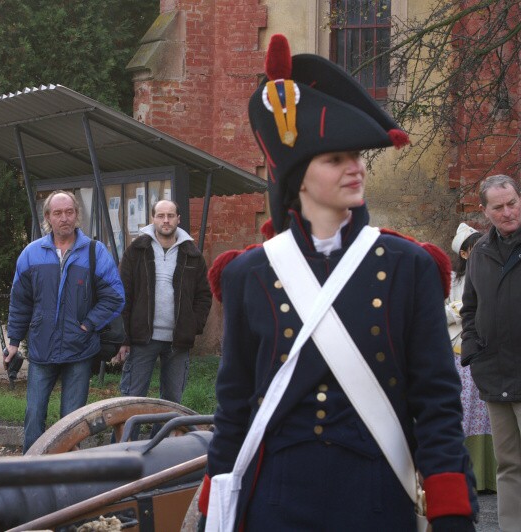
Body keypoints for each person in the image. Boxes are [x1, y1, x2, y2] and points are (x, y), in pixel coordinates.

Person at [199, 35, 477, 530]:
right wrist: (212, 509)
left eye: (357, 156)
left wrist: (452, 510)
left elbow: (436, 402)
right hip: (277, 498)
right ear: (297, 178)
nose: (356, 168)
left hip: (374, 493)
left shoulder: (406, 266)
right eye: (335, 159)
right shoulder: (250, 275)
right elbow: (235, 404)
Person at [4, 190, 125, 452]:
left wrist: (88, 324)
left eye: (69, 212)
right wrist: (14, 341)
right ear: (47, 217)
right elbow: (20, 302)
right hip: (41, 348)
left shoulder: (95, 252)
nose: (64, 218)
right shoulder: (31, 254)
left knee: (72, 422)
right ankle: (30, 472)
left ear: (76, 215)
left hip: (79, 349)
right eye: (58, 213)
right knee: (34, 416)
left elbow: (115, 297)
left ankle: (67, 476)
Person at [461, 174, 521, 529]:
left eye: (512, 202)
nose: (507, 212)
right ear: (485, 211)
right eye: (497, 207)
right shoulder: (480, 252)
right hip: (494, 373)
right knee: (509, 463)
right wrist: (473, 350)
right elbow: (469, 308)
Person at [112, 199, 211, 404]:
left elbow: (204, 295)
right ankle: (128, 438)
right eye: (160, 215)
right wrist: (124, 338)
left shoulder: (193, 255)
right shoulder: (136, 251)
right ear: (152, 218)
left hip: (178, 340)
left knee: (172, 402)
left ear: (178, 219)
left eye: (170, 216)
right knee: (131, 400)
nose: (166, 220)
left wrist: (193, 326)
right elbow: (123, 294)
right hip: (142, 339)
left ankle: (165, 438)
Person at [446, 223, 496, 493]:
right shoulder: (452, 279)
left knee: (488, 416)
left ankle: (490, 477)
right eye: (474, 248)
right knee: (463, 414)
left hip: (487, 353)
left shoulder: (491, 274)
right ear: (464, 254)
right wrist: (457, 310)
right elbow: (434, 312)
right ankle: (464, 476)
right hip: (460, 355)